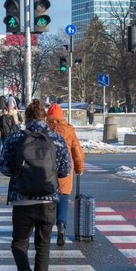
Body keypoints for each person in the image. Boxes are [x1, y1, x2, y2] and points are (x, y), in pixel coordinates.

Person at [0, 100, 71, 271]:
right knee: (43, 245)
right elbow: (65, 169)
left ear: (27, 117)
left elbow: (3, 166)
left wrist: (19, 172)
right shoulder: (56, 139)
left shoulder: (16, 137)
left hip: (22, 200)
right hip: (48, 200)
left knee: (19, 243)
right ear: (45, 118)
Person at [45, 103, 85, 247]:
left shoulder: (44, 129)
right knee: (63, 198)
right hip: (65, 171)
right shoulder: (69, 130)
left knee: (48, 200)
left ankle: (46, 228)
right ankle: (61, 225)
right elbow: (77, 153)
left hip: (46, 170)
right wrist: (79, 169)